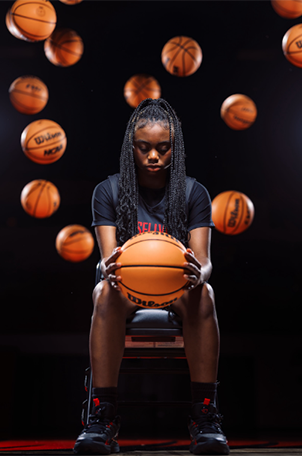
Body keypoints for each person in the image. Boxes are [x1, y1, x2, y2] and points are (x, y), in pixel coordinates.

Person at [73, 98, 230, 455]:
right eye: (144, 148)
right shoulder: (109, 191)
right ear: (132, 148)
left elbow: (205, 262)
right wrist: (106, 269)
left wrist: (198, 273)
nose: (154, 156)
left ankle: (204, 414)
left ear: (176, 148)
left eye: (163, 148)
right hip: (129, 288)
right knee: (103, 291)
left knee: (206, 294)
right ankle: (103, 414)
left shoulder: (193, 193)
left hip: (178, 287)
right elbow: (106, 261)